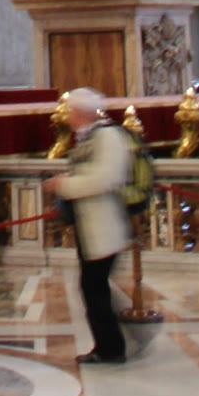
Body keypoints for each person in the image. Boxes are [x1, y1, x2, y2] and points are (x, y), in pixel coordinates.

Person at [44, 89, 132, 366]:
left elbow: (106, 178)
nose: (68, 116)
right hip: (91, 226)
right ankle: (109, 345)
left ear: (81, 112)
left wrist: (65, 185)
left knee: (93, 287)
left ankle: (111, 348)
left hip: (104, 225)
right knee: (94, 287)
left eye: (71, 111)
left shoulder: (107, 137)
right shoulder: (89, 136)